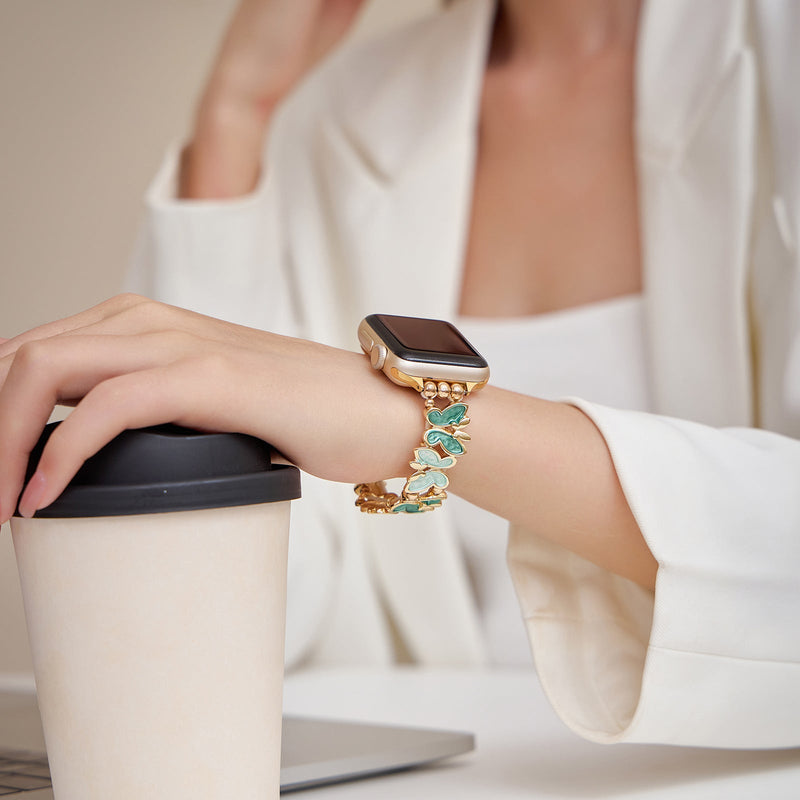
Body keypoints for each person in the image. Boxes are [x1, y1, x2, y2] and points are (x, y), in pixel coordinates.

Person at [1, 0, 799, 749]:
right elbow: (256, 616)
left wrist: (411, 421)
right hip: (457, 772)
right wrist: (234, 117)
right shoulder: (346, 108)